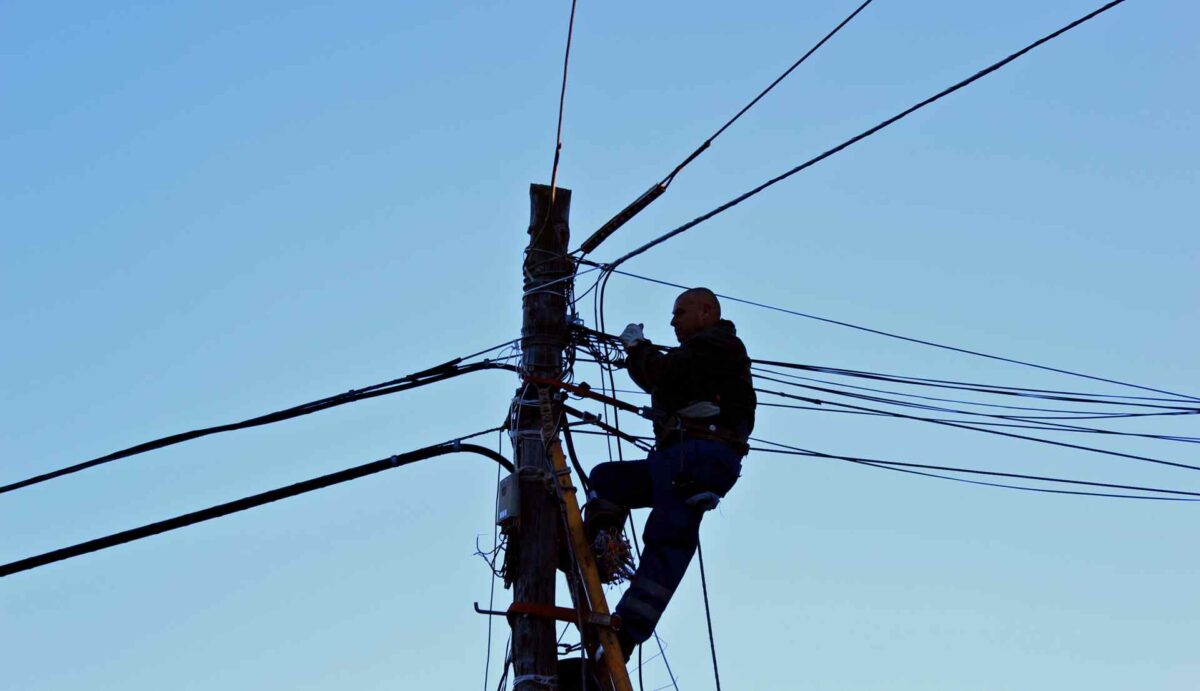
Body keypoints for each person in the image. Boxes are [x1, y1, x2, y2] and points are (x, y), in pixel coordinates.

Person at [586, 287, 756, 659]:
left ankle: (627, 631)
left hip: (700, 456)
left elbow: (666, 375)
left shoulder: (720, 344)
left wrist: (640, 349)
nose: (673, 320)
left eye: (680, 312)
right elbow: (664, 379)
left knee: (669, 536)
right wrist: (642, 355)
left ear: (707, 311)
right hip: (678, 457)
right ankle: (603, 550)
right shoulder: (702, 354)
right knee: (607, 479)